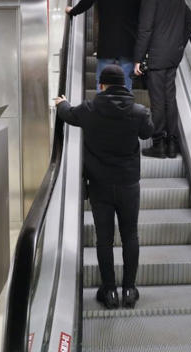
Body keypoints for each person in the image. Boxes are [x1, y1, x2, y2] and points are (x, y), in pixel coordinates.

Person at [55, 65, 154, 309]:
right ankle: (129, 290)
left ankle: (109, 292)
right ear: (124, 85)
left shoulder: (90, 109)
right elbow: (148, 132)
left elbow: (67, 114)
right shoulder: (138, 110)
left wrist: (61, 103)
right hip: (129, 184)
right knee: (130, 235)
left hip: (100, 185)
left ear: (102, 85)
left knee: (104, 240)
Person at [133, 0, 191, 158]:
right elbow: (190, 21)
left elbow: (145, 28)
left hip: (157, 56)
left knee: (158, 101)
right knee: (170, 99)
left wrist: (138, 58)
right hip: (172, 57)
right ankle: (172, 144)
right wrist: (179, 45)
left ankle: (158, 144)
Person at [66, 0, 143, 90]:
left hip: (107, 39)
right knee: (126, 78)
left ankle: (100, 107)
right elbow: (142, 11)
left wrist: (72, 11)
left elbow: (86, 2)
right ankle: (125, 107)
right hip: (129, 40)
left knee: (102, 77)